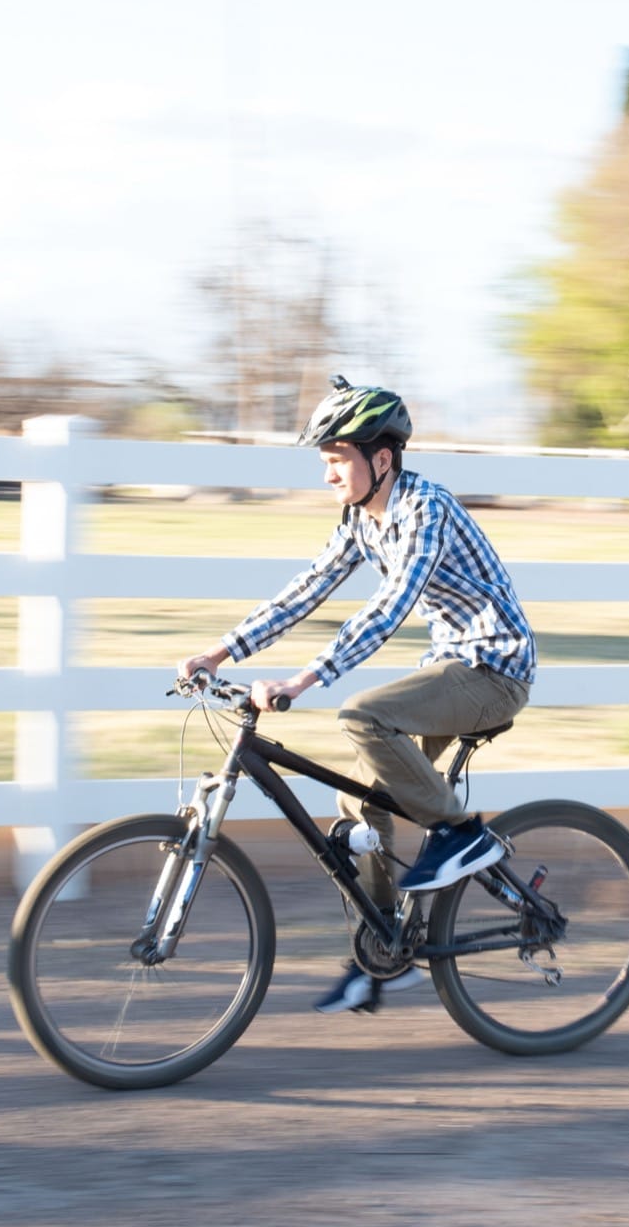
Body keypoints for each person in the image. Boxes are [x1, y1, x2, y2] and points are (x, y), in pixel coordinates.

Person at [176, 376, 537, 1014]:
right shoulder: (359, 520)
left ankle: (461, 835)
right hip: (452, 667)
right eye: (326, 461)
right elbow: (306, 589)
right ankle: (384, 954)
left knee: (363, 713)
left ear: (382, 459)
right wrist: (222, 650)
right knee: (357, 807)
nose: (329, 475)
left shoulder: (428, 509)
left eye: (337, 459)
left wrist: (304, 678)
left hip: (495, 669)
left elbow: (389, 606)